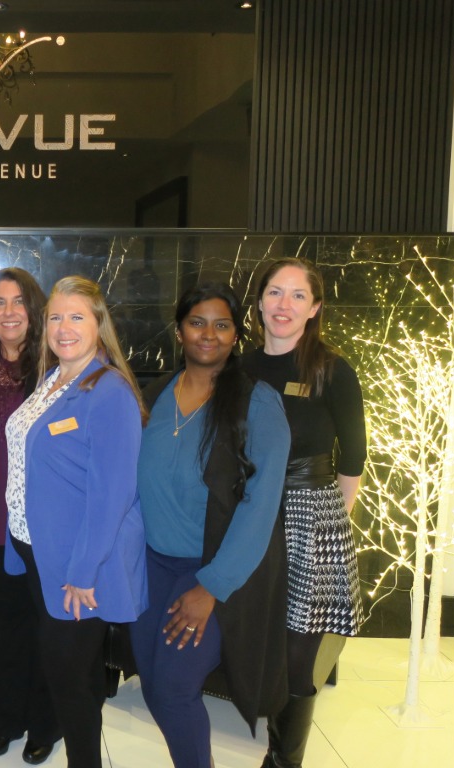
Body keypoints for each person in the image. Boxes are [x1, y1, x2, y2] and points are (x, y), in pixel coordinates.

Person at [130, 283, 291, 768]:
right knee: (153, 683)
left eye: (222, 325)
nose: (209, 334)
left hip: (211, 570)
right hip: (150, 566)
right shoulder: (155, 394)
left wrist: (211, 587)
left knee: (174, 688)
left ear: (236, 335)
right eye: (197, 322)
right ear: (180, 330)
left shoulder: (257, 404)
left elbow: (261, 508)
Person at [4, 275, 148, 768]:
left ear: (99, 325)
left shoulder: (110, 391)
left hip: (76, 564)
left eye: (77, 317)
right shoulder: (53, 379)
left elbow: (113, 495)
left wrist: (84, 572)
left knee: (70, 681)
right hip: (38, 550)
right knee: (69, 672)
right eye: (55, 317)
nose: (64, 328)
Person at [243, 258, 366, 768]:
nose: (284, 305)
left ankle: (284, 758)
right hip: (251, 512)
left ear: (314, 308)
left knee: (299, 648)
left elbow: (353, 456)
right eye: (275, 292)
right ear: (259, 302)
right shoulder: (240, 367)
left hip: (311, 513)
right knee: (261, 633)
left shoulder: (332, 370)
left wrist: (331, 520)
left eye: (298, 295)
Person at [0, 268, 60, 763]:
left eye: (18, 301)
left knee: (46, 626)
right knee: (7, 624)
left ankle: (46, 724)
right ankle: (4, 721)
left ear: (34, 308)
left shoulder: (54, 369)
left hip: (44, 527)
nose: (9, 311)